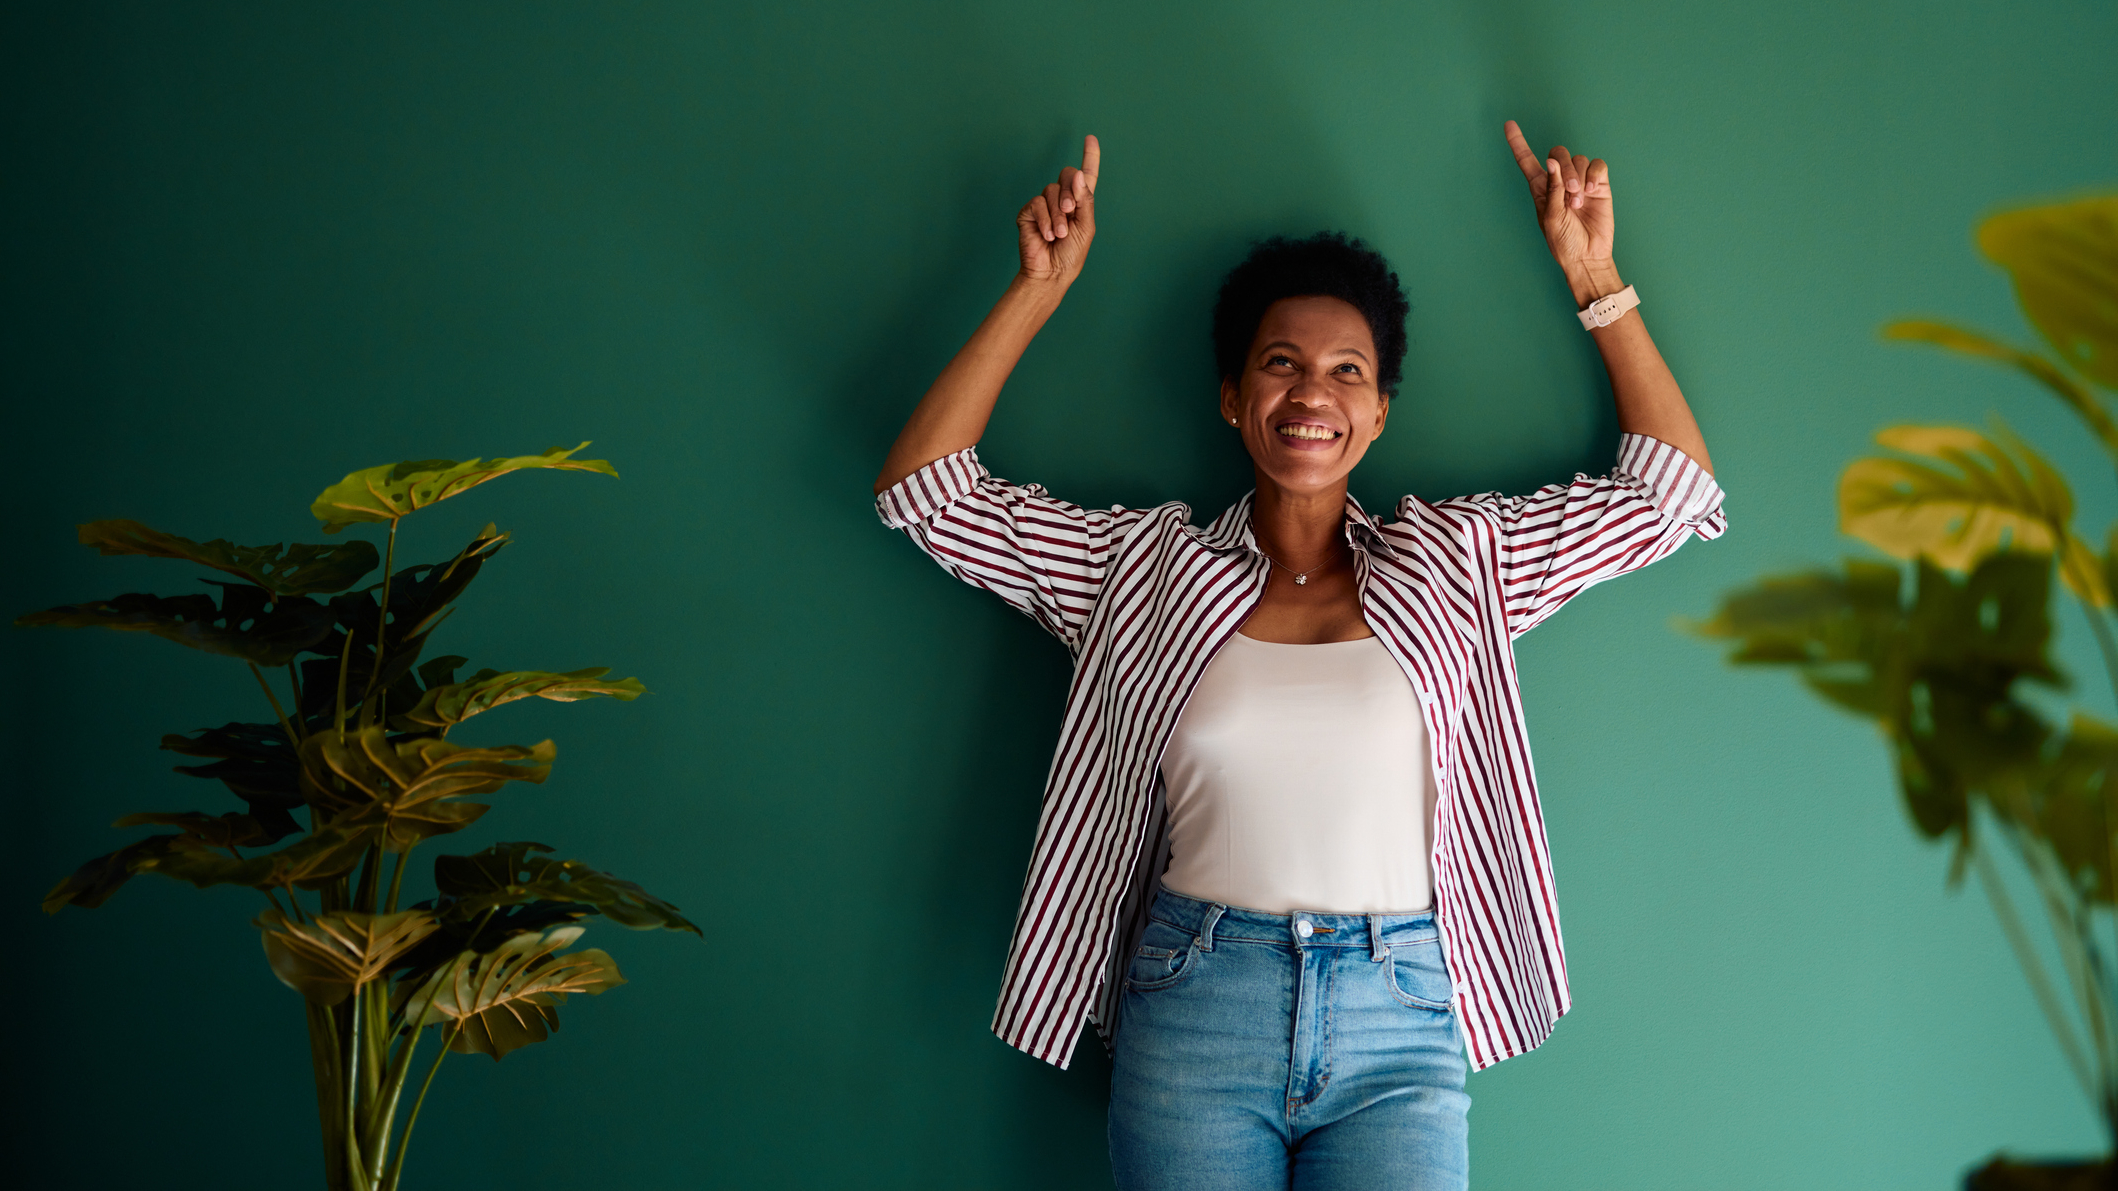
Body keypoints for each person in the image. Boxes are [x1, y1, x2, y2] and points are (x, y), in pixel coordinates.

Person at [873, 124, 1723, 1190]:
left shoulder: (1458, 563)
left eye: (1345, 371)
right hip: (1196, 997)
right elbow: (925, 492)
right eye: (1280, 364)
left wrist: (1595, 278)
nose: (1311, 393)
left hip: (1403, 1004)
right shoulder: (1142, 571)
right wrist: (1038, 289)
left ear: (1377, 412)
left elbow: (1671, 492)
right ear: (1234, 397)